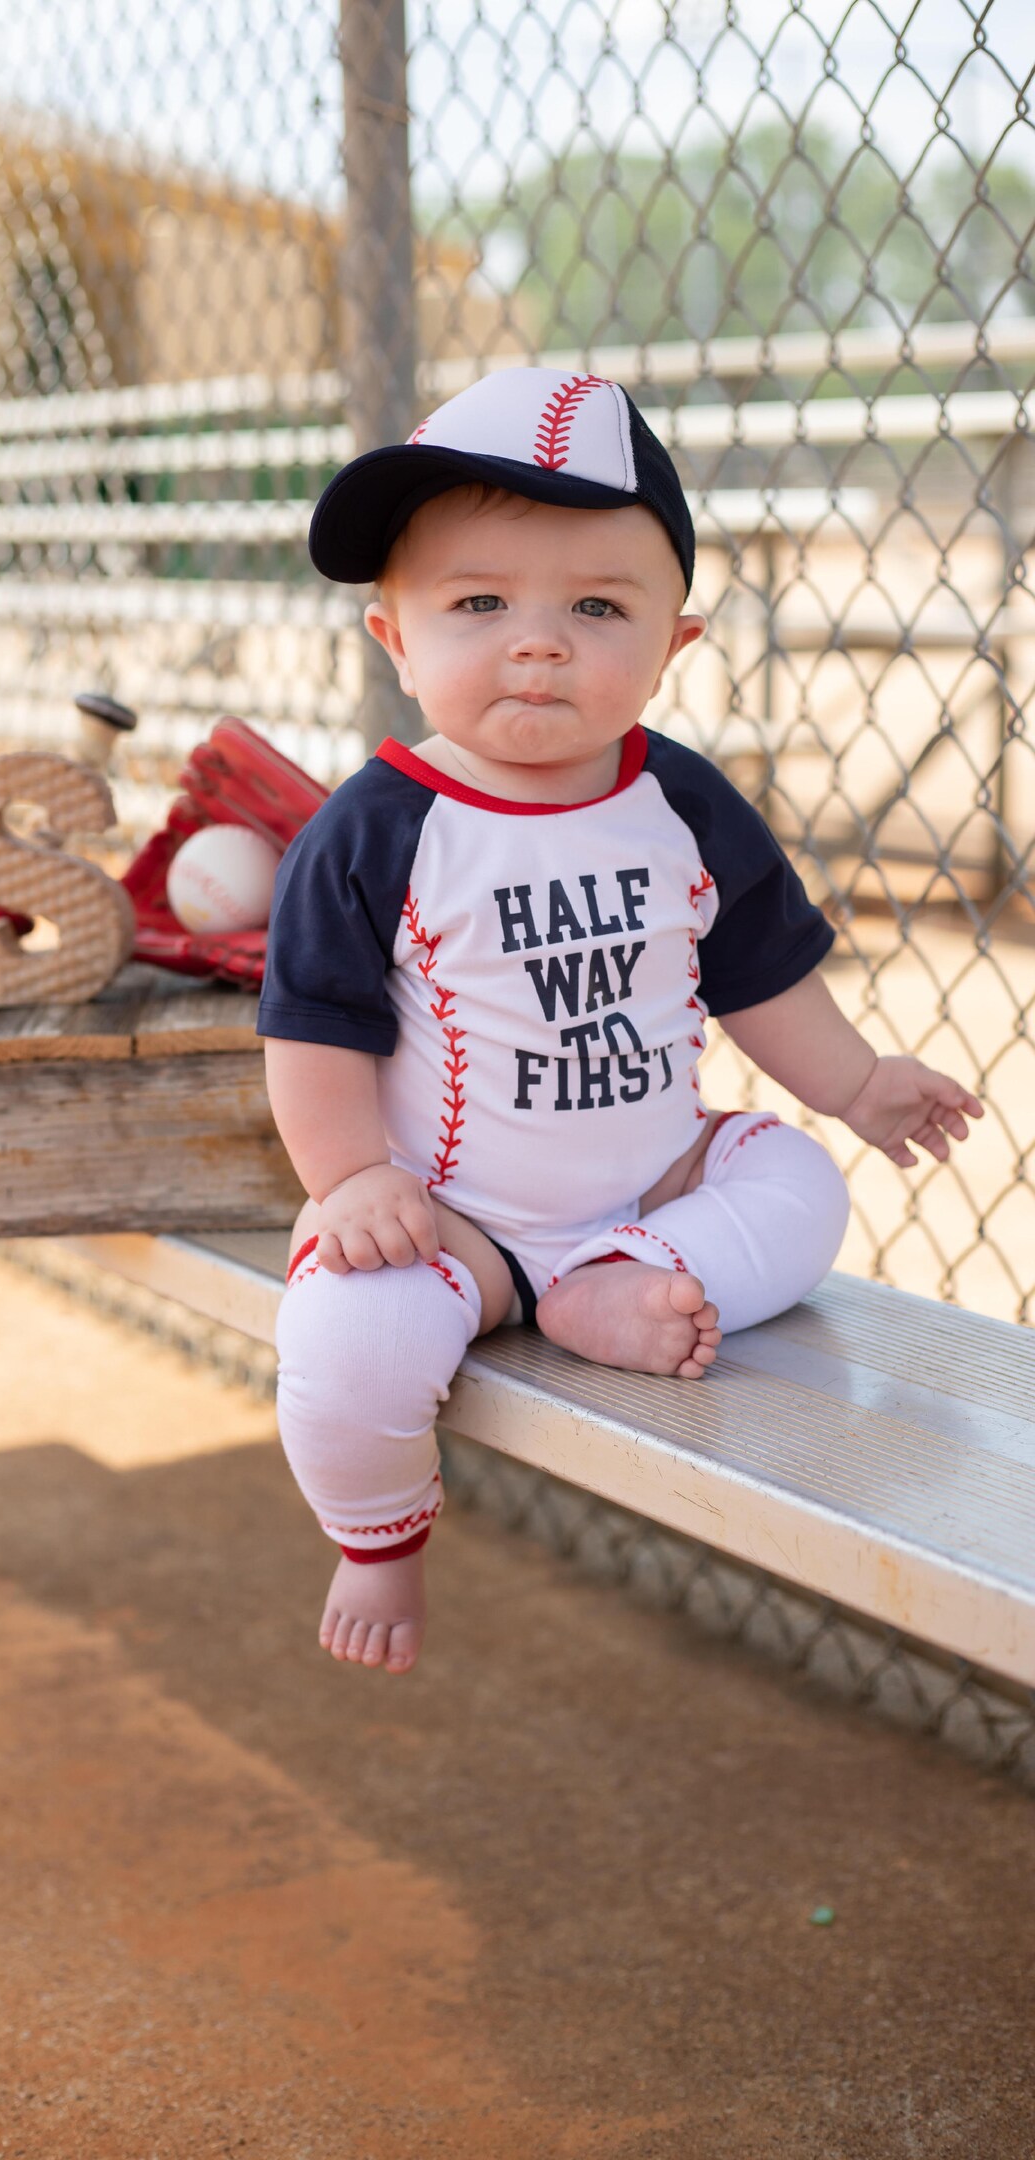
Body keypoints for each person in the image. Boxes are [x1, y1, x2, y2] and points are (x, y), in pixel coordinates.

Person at [257, 366, 981, 1679]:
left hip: (655, 1179)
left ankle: (611, 1283)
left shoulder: (682, 802)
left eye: (597, 607)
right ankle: (378, 1540)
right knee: (342, 1341)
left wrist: (859, 1082)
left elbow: (759, 973)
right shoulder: (379, 830)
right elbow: (314, 1030)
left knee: (803, 1189)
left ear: (673, 646)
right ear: (393, 639)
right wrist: (351, 1176)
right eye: (477, 603)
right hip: (451, 1224)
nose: (538, 641)